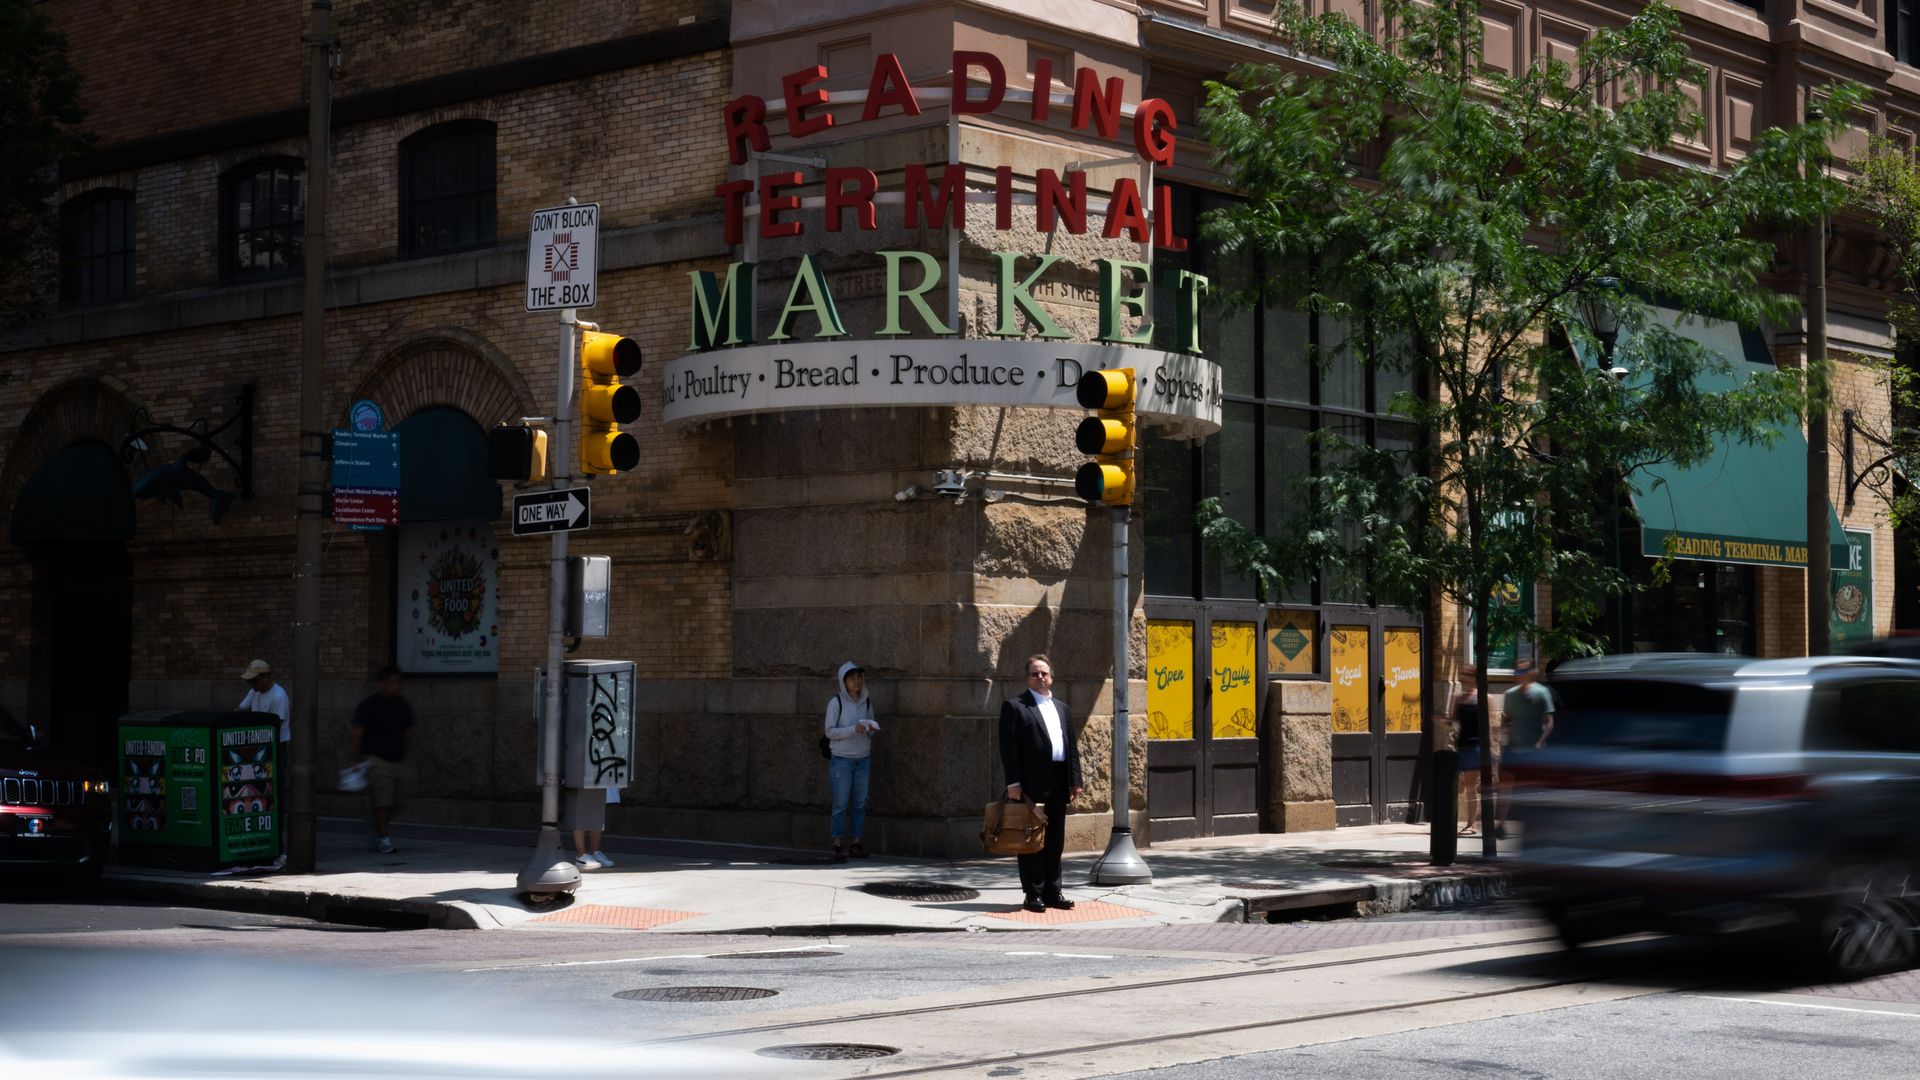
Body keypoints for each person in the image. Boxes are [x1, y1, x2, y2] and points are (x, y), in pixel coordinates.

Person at [998, 653, 1083, 913]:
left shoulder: (1062, 708)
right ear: (1028, 678)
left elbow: (1071, 747)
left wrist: (1075, 780)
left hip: (1058, 781)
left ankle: (1053, 891)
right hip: (1031, 784)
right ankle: (1033, 893)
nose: (1040, 677)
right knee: (1031, 839)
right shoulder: (1015, 707)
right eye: (1035, 673)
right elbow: (1008, 749)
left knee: (1055, 839)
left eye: (1044, 673)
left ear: (1051, 677)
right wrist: (1013, 782)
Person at [346, 666, 415, 855]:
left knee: (398, 800)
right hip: (377, 760)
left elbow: (409, 731)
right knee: (382, 801)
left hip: (398, 760)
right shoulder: (369, 705)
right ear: (382, 684)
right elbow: (357, 733)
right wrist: (353, 759)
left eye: (398, 682)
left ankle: (379, 824)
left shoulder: (403, 704)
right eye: (392, 682)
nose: (396, 686)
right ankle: (383, 837)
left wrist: (407, 755)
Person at [823, 661, 878, 861]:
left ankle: (856, 843)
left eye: (859, 678)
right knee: (840, 803)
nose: (857, 682)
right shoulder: (836, 702)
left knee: (859, 803)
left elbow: (871, 725)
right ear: (844, 681)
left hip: (863, 758)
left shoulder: (867, 701)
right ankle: (837, 844)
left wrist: (870, 729)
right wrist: (851, 729)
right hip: (842, 760)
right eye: (853, 678)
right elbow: (829, 731)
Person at [1496, 657, 1556, 837]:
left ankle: (1539, 825)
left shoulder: (1542, 692)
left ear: (1531, 673)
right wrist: (1502, 731)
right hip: (1513, 748)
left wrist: (1540, 742)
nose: (1518, 675)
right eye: (1517, 671)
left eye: (1522, 671)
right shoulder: (1510, 695)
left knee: (1534, 788)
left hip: (1533, 750)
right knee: (1506, 787)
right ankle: (1501, 824)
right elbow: (1507, 719)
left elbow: (1549, 722)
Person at [1450, 669, 1485, 836]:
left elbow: (1489, 727)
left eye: (1467, 676)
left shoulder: (1484, 698)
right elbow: (1452, 721)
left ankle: (1471, 824)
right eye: (1462, 676)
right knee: (1460, 786)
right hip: (1461, 746)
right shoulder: (1458, 697)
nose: (1463, 679)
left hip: (1475, 746)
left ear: (1475, 678)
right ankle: (1456, 820)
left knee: (1471, 786)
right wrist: (1439, 719)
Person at [237, 659, 290, 745]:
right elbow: (240, 710)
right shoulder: (254, 691)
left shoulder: (278, 696)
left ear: (266, 677)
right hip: (259, 740)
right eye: (249, 681)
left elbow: (276, 726)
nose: (252, 685)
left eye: (254, 681)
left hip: (275, 743)